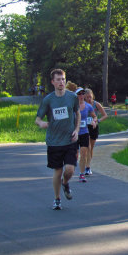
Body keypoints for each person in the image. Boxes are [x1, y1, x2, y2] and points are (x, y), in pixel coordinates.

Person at [35, 69, 80, 210]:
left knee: (70, 170)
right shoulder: (48, 100)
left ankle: (65, 183)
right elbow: (38, 118)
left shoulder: (72, 97)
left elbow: (77, 113)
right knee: (58, 171)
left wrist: (77, 130)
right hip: (54, 141)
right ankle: (57, 199)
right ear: (53, 82)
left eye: (63, 79)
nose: (61, 82)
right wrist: (41, 123)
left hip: (70, 139)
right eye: (59, 79)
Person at [75, 87, 97, 182]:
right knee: (75, 155)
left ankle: (81, 174)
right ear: (76, 96)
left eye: (82, 93)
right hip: (74, 133)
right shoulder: (72, 106)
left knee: (83, 153)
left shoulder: (88, 106)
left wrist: (94, 121)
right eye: (79, 94)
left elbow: (94, 116)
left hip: (84, 132)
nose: (81, 96)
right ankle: (70, 169)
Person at [84, 88, 108, 175]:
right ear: (84, 97)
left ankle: (88, 164)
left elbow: (105, 115)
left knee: (91, 148)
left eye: (90, 97)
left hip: (94, 127)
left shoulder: (96, 104)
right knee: (88, 146)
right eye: (87, 97)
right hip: (85, 127)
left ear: (92, 96)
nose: (89, 99)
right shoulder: (83, 104)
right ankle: (87, 167)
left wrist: (98, 121)